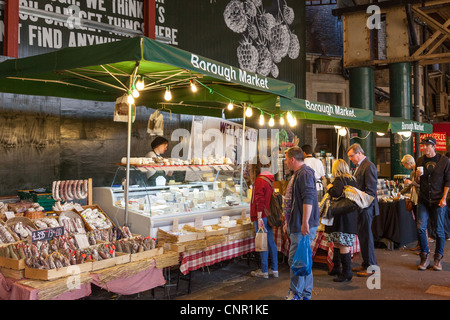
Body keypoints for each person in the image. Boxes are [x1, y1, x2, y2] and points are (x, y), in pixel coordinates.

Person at [283, 147, 320, 300]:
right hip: (297, 223)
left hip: (302, 225)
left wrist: (305, 222)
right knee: (302, 259)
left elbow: (308, 199)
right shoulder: (299, 174)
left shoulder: (304, 173)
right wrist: (288, 222)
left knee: (296, 260)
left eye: (286, 160)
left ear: (292, 159)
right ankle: (304, 293)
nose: (285, 163)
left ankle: (296, 293)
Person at [415, 137, 450, 271]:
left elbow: (448, 181)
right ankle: (424, 257)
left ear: (434, 146)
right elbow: (418, 182)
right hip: (423, 199)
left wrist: (444, 198)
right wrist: (417, 175)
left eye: (427, 146)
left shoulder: (444, 161)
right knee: (420, 228)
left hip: (438, 200)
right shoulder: (419, 161)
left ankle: (438, 259)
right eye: (423, 146)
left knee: (439, 230)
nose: (425, 148)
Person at [346, 143, 379, 277]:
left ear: (359, 153)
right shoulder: (360, 166)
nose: (351, 159)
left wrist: (360, 205)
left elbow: (371, 192)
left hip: (366, 208)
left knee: (367, 237)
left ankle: (371, 267)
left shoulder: (368, 166)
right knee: (363, 238)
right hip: (362, 208)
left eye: (351, 156)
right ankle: (366, 264)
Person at [325, 159, 359, 282]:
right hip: (350, 216)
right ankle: (337, 268)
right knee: (338, 242)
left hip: (341, 217)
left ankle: (346, 272)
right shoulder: (352, 179)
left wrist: (329, 187)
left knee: (342, 243)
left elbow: (336, 192)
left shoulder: (339, 179)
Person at [249, 156, 278, 279]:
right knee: (270, 241)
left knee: (262, 242)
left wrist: (259, 217)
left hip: (261, 216)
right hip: (268, 215)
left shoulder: (259, 180)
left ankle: (264, 270)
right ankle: (275, 269)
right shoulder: (270, 178)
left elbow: (259, 200)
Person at [399, 154, 420, 251]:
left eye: (404, 165)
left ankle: (422, 246)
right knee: (418, 222)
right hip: (416, 199)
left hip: (419, 199)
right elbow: (410, 187)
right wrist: (401, 192)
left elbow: (421, 185)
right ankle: (420, 244)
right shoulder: (413, 172)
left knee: (420, 223)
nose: (404, 167)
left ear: (408, 163)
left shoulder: (417, 171)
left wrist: (411, 183)